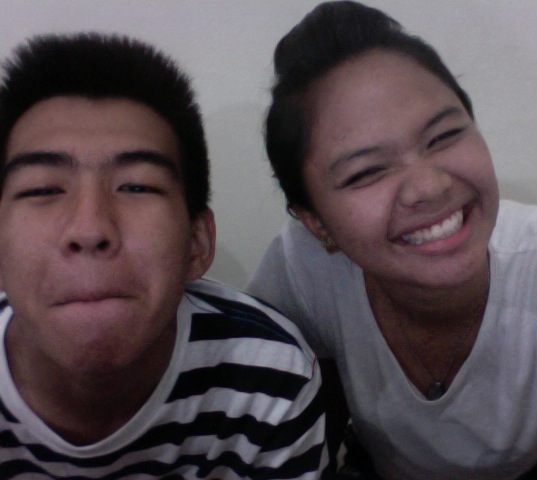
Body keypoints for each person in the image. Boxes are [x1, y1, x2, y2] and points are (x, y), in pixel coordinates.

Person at [247, 1, 537, 479]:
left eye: (443, 136)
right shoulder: (301, 266)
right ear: (315, 223)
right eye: (366, 171)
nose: (429, 187)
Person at [0, 32, 328, 479]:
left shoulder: (269, 379)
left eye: (137, 186)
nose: (90, 229)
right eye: (42, 190)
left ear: (197, 241)